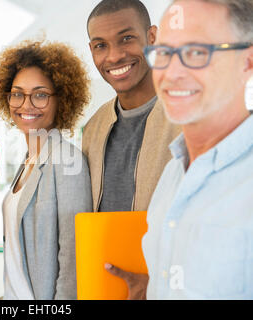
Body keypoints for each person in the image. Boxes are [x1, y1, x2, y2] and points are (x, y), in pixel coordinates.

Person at [141, 0, 253, 299]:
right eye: (164, 52)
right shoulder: (172, 173)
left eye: (196, 52)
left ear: (248, 62)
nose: (172, 73)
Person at [82, 0, 181, 298]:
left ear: (152, 38)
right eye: (101, 45)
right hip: (103, 287)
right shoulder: (94, 127)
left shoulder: (187, 117)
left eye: (127, 38)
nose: (114, 56)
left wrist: (161, 283)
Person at [0, 40, 93, 299]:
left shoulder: (68, 160)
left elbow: (73, 259)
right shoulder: (28, 160)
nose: (26, 104)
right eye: (17, 93)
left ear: (62, 100)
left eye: (40, 94)